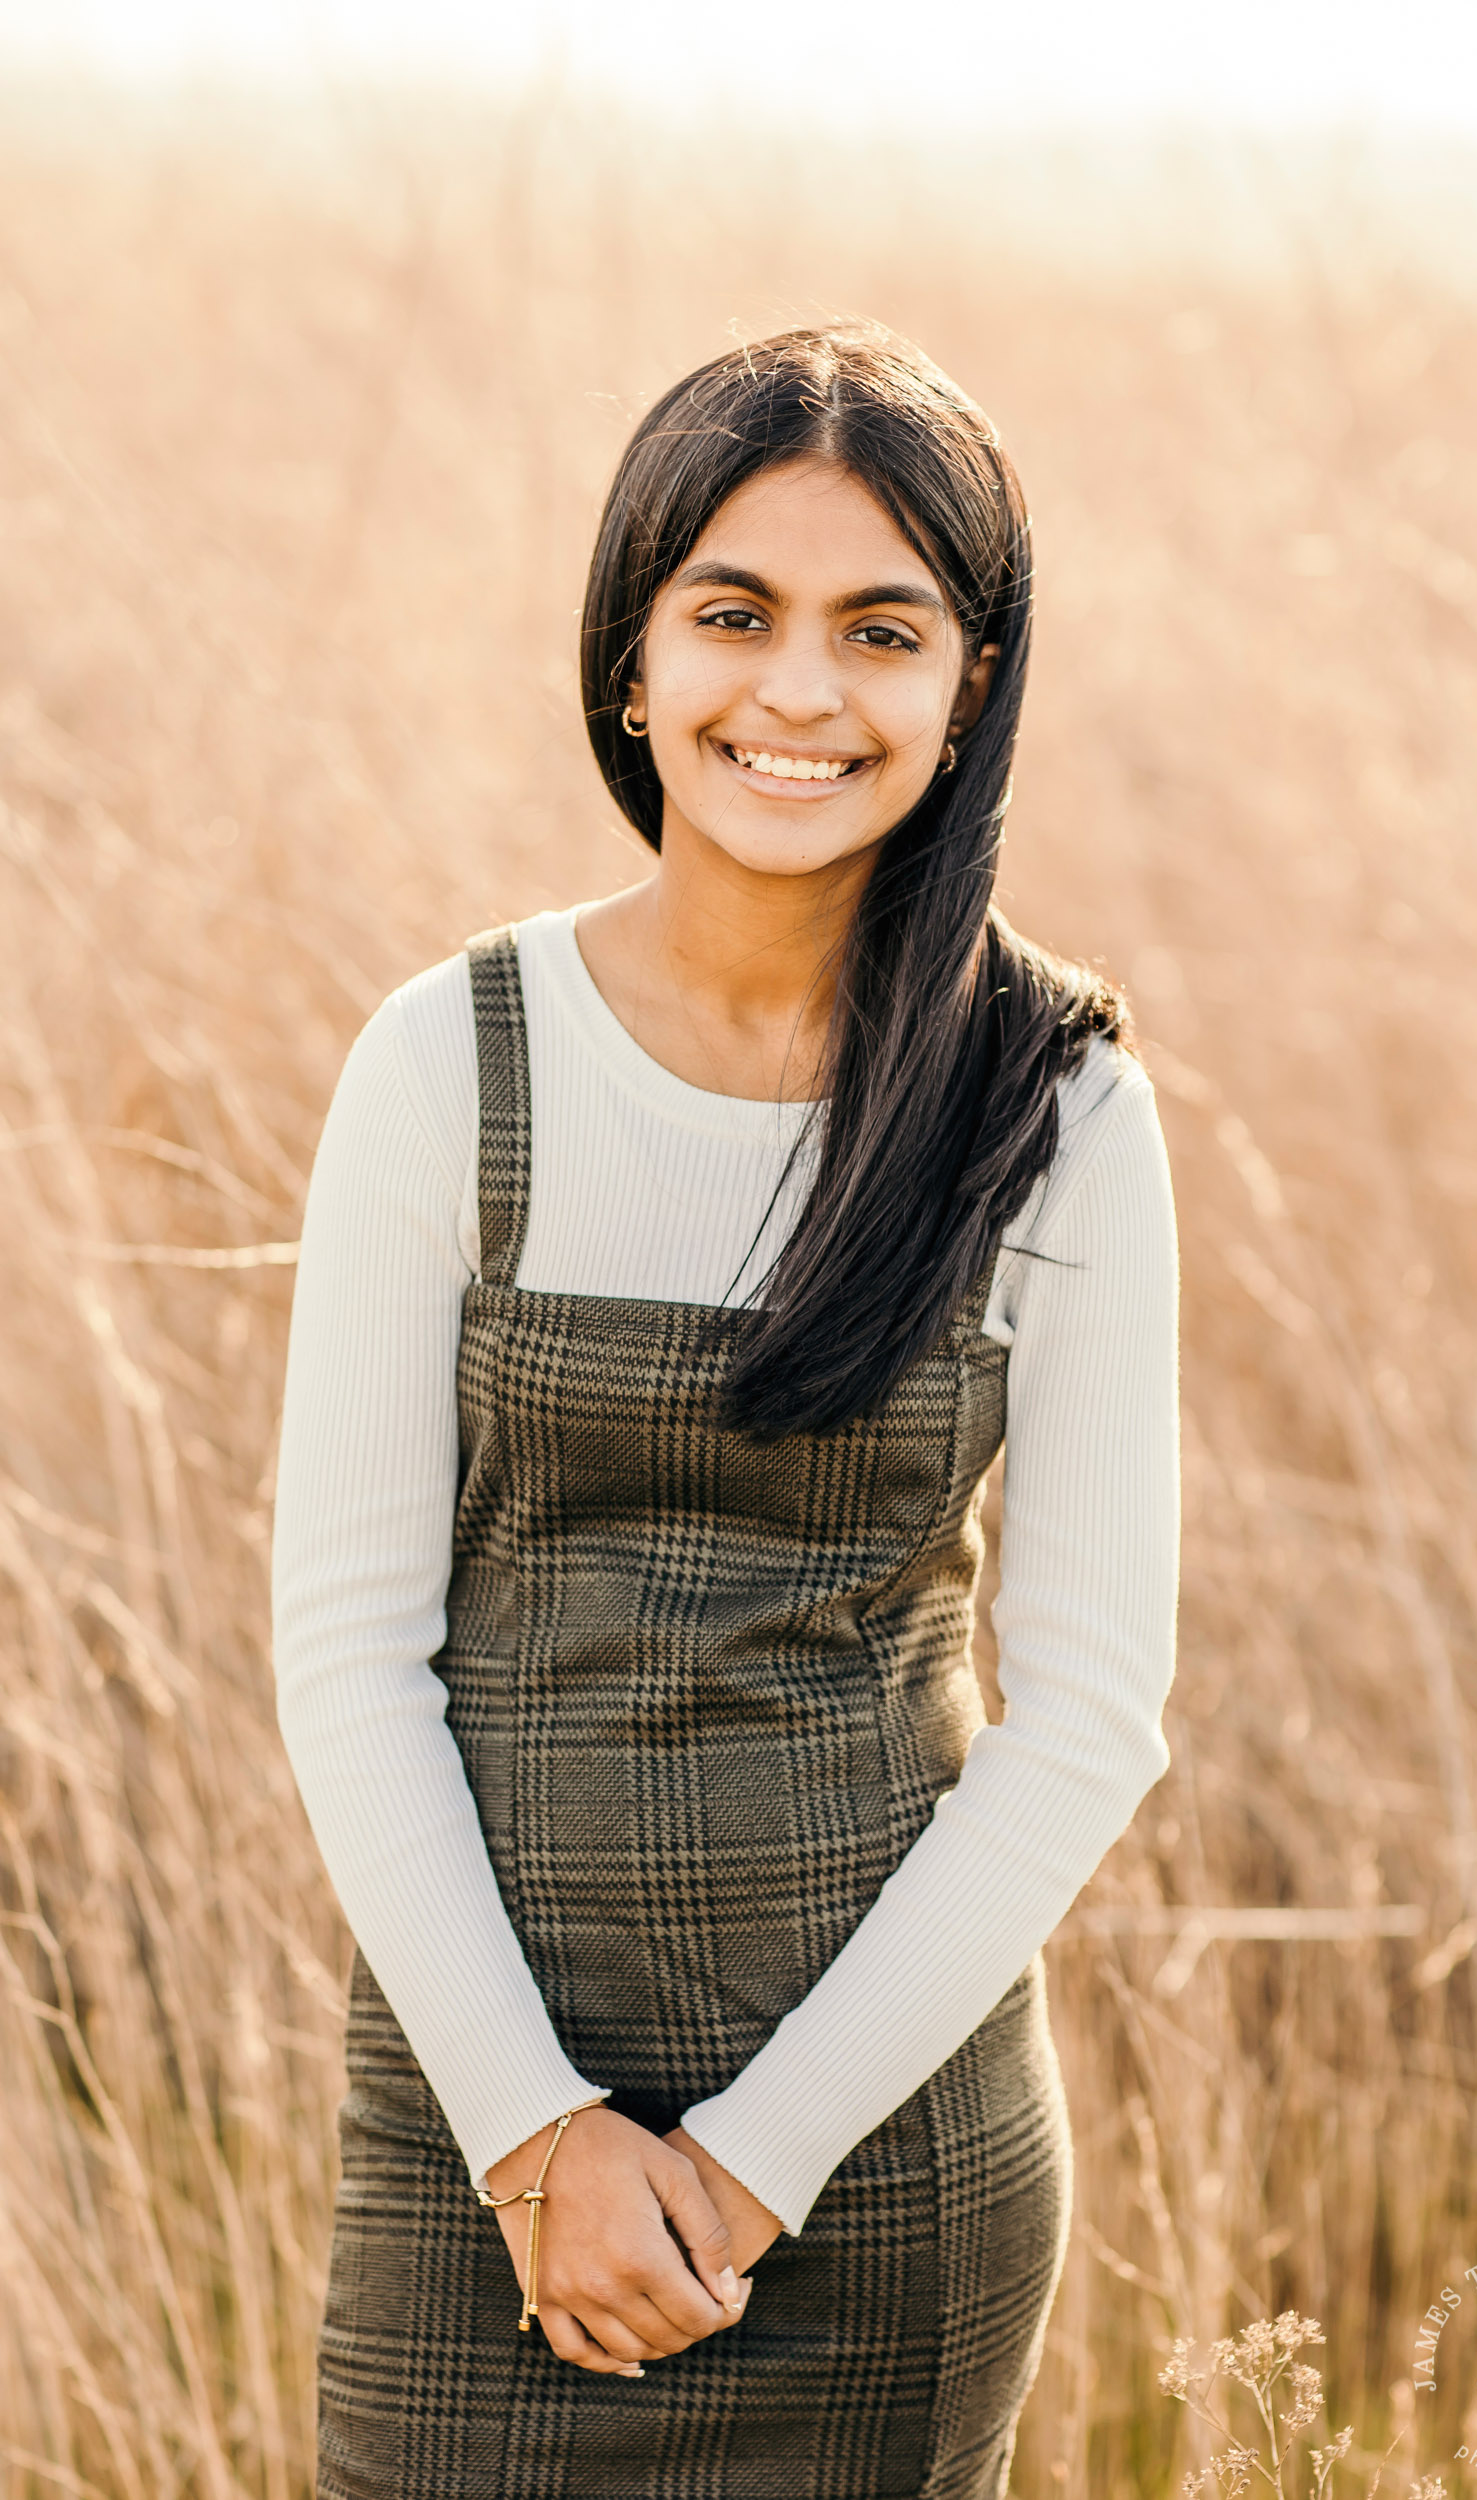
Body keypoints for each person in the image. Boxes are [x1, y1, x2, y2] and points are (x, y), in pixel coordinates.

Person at [272, 320, 1181, 2500]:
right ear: (629, 660)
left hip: (881, 2176)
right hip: (481, 2144)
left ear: (971, 688)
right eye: (733, 615)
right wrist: (536, 2134)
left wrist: (750, 2165)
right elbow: (347, 1646)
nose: (798, 693)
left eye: (884, 630)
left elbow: (1087, 1713)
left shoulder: (1057, 1102)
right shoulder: (449, 1057)